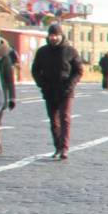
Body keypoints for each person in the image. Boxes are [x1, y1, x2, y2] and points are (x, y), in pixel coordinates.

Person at [31, 22, 83, 160]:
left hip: (66, 91)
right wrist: (41, 84)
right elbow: (35, 70)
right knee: (54, 121)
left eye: (56, 35)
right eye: (51, 35)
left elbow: (78, 71)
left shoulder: (70, 51)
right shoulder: (42, 52)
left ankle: (64, 149)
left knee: (64, 118)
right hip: (49, 91)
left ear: (61, 35)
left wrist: (70, 85)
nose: (53, 38)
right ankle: (58, 147)